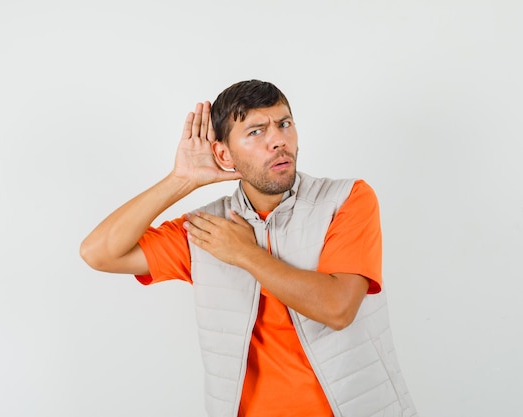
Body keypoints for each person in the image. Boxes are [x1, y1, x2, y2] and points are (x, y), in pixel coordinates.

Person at [80, 80, 418, 417]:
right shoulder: (208, 228)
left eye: (284, 124)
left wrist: (244, 253)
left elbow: (338, 308)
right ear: (224, 154)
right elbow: (99, 252)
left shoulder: (346, 200)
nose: (278, 141)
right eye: (256, 132)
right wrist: (181, 180)